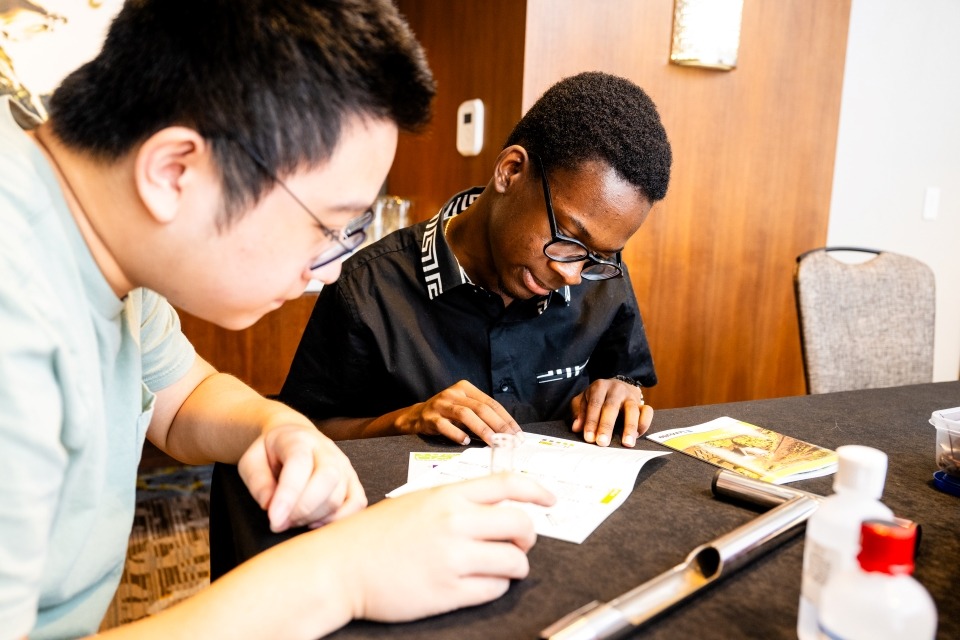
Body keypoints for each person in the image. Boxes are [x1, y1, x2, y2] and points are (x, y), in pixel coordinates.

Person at [0, 1, 555, 638]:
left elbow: (182, 402)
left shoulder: (98, 230)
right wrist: (343, 575)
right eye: (325, 227)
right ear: (174, 171)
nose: (328, 270)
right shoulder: (15, 312)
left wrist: (274, 425)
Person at [280, 71, 672, 450]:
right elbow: (302, 431)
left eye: (600, 256)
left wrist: (622, 389)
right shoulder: (367, 290)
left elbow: (623, 372)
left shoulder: (596, 272)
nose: (572, 274)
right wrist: (405, 420)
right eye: (568, 237)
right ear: (511, 171)